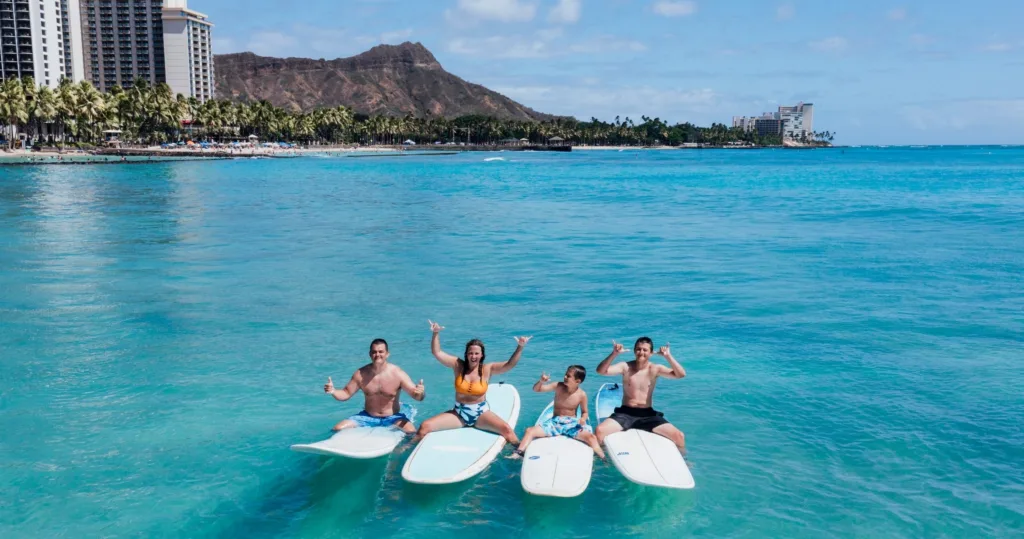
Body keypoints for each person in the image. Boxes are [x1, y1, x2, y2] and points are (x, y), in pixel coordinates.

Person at [414, 320, 530, 445]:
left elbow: (509, 365)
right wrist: (436, 333)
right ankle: (408, 447)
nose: (473, 356)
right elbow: (437, 352)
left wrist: (520, 347)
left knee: (507, 430)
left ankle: (519, 453)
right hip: (459, 413)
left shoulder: (487, 369)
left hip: (480, 414)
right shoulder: (458, 365)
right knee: (424, 427)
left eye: (476, 353)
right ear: (466, 354)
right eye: (470, 353)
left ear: (481, 355)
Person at [594, 337, 687, 452]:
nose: (641, 352)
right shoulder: (625, 367)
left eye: (645, 350)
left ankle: (684, 461)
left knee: (679, 436)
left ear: (651, 353)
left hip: (647, 415)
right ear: (634, 351)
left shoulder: (655, 369)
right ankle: (602, 457)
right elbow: (601, 371)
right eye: (638, 349)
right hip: (625, 413)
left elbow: (680, 374)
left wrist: (668, 356)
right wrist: (614, 354)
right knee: (599, 431)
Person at [323, 338, 425, 434]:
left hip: (393, 417)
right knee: (337, 429)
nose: (377, 354)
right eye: (374, 352)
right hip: (367, 417)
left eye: (381, 352)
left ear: (387, 354)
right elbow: (346, 394)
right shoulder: (361, 374)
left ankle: (403, 450)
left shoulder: (398, 374)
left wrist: (420, 392)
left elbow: (416, 396)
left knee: (411, 432)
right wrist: (333, 391)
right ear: (370, 354)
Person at [513, 365, 605, 459]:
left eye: (568, 376)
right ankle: (518, 453)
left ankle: (602, 457)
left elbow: (585, 412)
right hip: (554, 423)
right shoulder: (558, 386)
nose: (565, 377)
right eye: (565, 374)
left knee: (592, 438)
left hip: (571, 424)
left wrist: (583, 418)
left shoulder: (582, 395)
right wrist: (541, 382)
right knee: (529, 431)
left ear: (578, 381)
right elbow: (537, 389)